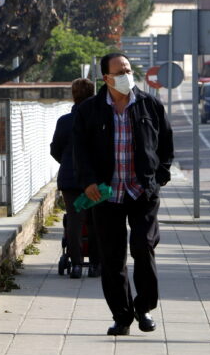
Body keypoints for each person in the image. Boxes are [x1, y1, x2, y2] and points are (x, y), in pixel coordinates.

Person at [73, 52, 174, 336]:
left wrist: (159, 178)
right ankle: (122, 316)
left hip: (141, 191)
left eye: (128, 70)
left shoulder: (149, 105)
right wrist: (89, 182)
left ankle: (145, 308)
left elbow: (166, 145)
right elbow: (79, 151)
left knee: (143, 246)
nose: (126, 75)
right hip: (105, 195)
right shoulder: (90, 110)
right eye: (120, 71)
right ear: (106, 78)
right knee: (112, 257)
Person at [50, 78, 100, 279]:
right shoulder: (99, 119)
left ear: (73, 95)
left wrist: (68, 162)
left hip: (70, 179)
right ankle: (96, 263)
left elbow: (55, 149)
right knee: (96, 220)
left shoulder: (64, 121)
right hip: (95, 179)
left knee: (74, 220)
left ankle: (77, 263)